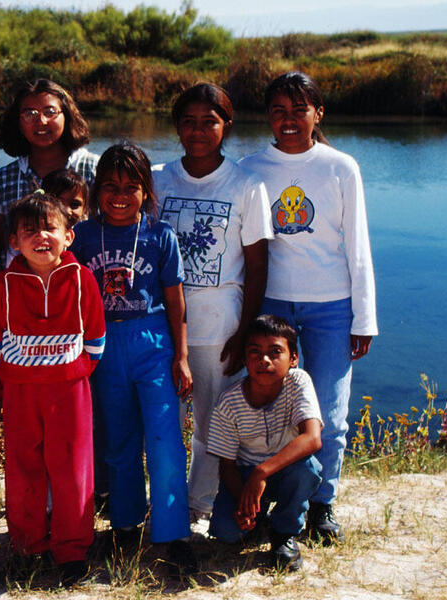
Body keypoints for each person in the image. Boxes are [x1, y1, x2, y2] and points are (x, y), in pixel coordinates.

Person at [240, 71, 377, 543]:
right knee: (272, 411)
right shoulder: (250, 168)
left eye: (300, 110)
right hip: (273, 306)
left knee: (331, 413)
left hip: (331, 307)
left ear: (318, 114)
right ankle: (275, 497)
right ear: (268, 118)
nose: (289, 120)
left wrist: (365, 316)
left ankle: (322, 504)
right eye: (279, 111)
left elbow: (357, 245)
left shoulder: (341, 167)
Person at [69, 142, 197, 575]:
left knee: (164, 440)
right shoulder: (83, 236)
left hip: (152, 340)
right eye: (109, 186)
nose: (119, 195)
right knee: (119, 442)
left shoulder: (161, 236)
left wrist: (181, 357)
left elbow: (176, 302)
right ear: (95, 189)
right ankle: (125, 524)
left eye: (131, 186)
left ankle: (174, 531)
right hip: (103, 345)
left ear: (147, 190)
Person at [152, 83, 274, 522]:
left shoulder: (246, 184)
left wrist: (245, 331)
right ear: (176, 127)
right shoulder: (157, 178)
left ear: (227, 126)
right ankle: (164, 506)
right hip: (161, 325)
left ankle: (199, 508)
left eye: (210, 121)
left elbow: (258, 265)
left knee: (210, 425)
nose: (198, 131)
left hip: (219, 328)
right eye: (188, 121)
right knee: (165, 425)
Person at [0, 192, 106, 585]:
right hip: (21, 391)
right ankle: (28, 547)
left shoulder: (81, 277)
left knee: (72, 470)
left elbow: (96, 339)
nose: (41, 236)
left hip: (69, 390)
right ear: (14, 241)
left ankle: (71, 549)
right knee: (23, 470)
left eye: (50, 228)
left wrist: (70, 371)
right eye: (29, 230)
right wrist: (18, 374)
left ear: (68, 236)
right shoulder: (4, 282)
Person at [207, 315, 323, 572]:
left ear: (293, 358)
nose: (264, 360)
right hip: (246, 476)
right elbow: (226, 465)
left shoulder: (298, 382)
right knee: (226, 532)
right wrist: (245, 503)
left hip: (284, 470)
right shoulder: (229, 402)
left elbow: (312, 438)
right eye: (255, 352)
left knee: (308, 469)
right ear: (245, 359)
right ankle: (259, 520)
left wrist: (263, 471)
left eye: (275, 352)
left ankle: (284, 533)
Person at [0, 79, 98, 267]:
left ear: (67, 116)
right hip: (20, 289)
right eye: (30, 114)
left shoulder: (94, 168)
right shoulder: (3, 178)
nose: (41, 121)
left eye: (50, 112)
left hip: (80, 286)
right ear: (18, 122)